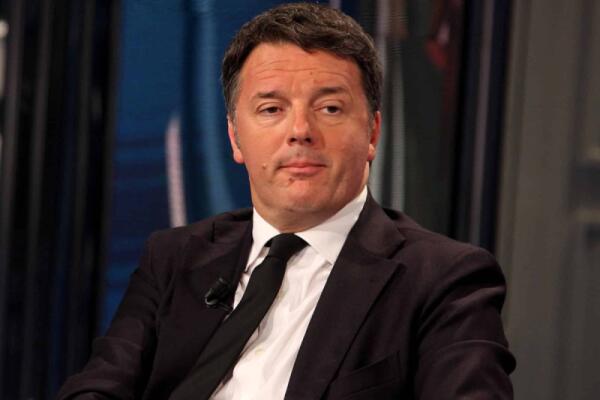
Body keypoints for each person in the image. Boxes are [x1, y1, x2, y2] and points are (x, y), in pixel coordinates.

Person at [57, 3, 515, 399]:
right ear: (235, 138)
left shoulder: (443, 280)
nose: (300, 131)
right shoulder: (174, 257)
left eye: (330, 108)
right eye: (271, 109)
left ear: (372, 133)